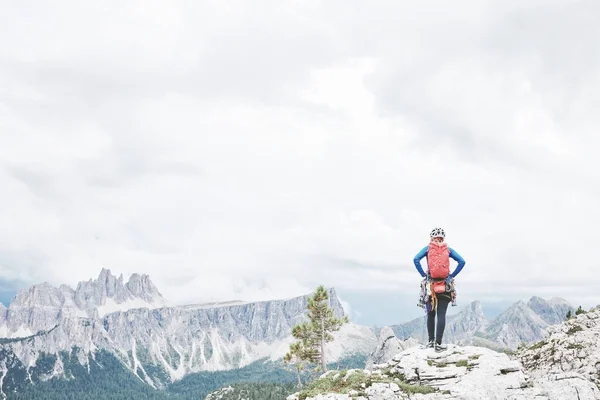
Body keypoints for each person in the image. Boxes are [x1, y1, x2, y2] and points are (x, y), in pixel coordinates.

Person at [413, 227, 465, 352]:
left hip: (430, 286)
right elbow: (462, 261)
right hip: (446, 286)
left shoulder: (427, 249)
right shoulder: (448, 249)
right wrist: (451, 275)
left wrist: (424, 274)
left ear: (432, 238)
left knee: (431, 313)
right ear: (443, 238)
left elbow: (416, 259)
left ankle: (430, 341)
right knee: (441, 314)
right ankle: (438, 344)